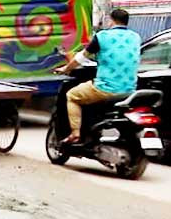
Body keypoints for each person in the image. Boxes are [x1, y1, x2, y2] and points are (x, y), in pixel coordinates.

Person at [55, 8, 141, 144]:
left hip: (106, 88)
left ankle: (75, 133)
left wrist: (66, 69)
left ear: (111, 21)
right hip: (129, 90)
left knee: (72, 95)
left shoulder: (102, 36)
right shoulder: (136, 37)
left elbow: (81, 58)